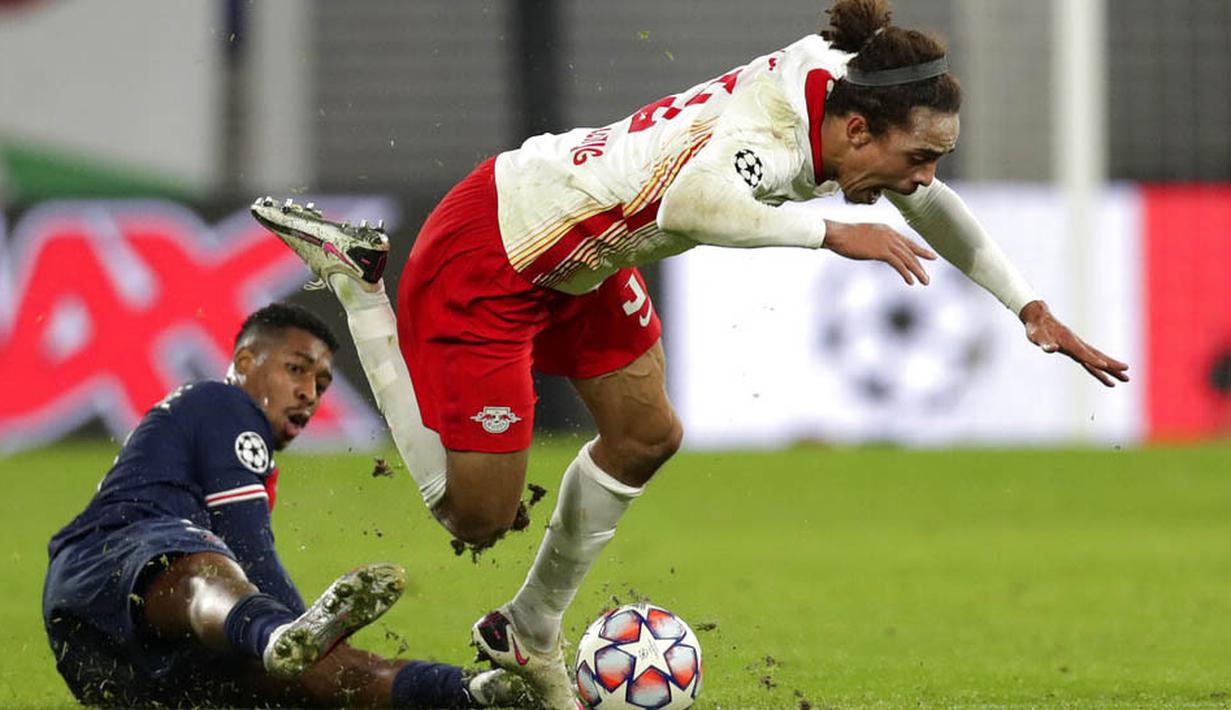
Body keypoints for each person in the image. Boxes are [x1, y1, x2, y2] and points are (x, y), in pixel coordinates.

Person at [253, 0, 1130, 706]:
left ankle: (527, 628)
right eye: (919, 158)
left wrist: (1027, 304)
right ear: (858, 133)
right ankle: (362, 288)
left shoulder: (851, 91)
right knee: (473, 517)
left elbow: (921, 201)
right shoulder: (772, 137)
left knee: (645, 434)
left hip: (590, 257)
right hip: (498, 246)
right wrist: (831, 232)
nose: (923, 180)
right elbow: (690, 207)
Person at [42, 303, 526, 708]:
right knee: (208, 577)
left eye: (321, 383)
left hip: (105, 657)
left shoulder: (237, 444)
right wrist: (296, 635)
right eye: (296, 369)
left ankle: (477, 692)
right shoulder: (223, 404)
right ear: (246, 362)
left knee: (337, 678)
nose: (308, 393)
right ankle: (277, 636)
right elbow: (251, 552)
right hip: (111, 562)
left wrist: (312, 662)